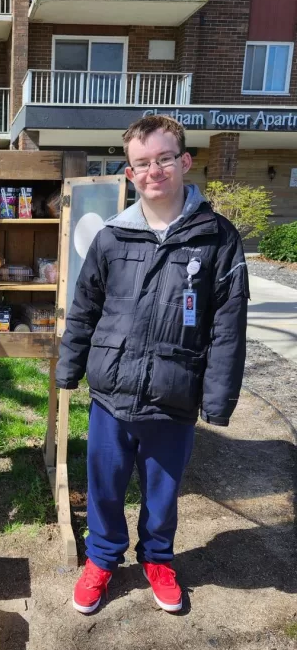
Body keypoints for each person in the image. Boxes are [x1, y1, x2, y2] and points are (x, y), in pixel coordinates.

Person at [56, 114, 248, 614]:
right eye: (142, 163)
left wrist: (218, 399)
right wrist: (68, 367)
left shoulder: (218, 239)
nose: (154, 170)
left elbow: (228, 326)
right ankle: (101, 558)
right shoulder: (112, 238)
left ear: (184, 161)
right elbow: (85, 308)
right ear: (129, 174)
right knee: (104, 484)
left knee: (162, 491)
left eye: (164, 159)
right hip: (112, 393)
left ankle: (158, 558)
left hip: (175, 394)